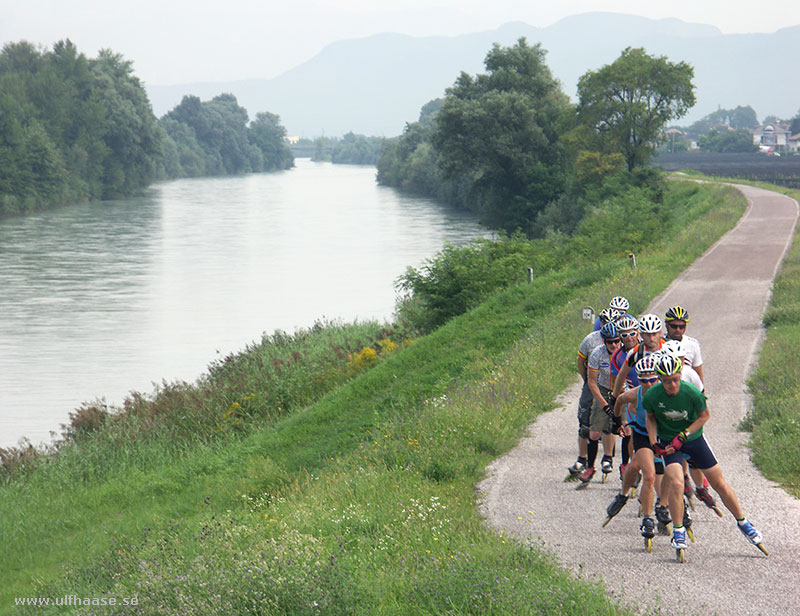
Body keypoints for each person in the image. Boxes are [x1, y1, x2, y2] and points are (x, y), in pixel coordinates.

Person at [644, 354, 767, 559]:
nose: (672, 385)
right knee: (675, 483)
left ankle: (744, 522)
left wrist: (684, 435)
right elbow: (650, 417)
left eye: (675, 379)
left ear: (680, 375)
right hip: (668, 442)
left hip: (693, 439)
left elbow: (704, 416)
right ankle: (679, 531)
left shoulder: (691, 393)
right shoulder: (652, 396)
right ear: (660, 380)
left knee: (718, 483)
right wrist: (653, 441)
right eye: (666, 381)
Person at [604, 355, 665, 550]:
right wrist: (617, 421)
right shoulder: (635, 394)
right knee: (647, 475)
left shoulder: (667, 394)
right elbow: (619, 400)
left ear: (659, 378)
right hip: (641, 435)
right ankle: (645, 516)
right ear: (638, 380)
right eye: (643, 380)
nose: (648, 384)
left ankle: (666, 506)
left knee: (669, 473)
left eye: (652, 379)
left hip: (662, 435)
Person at [568, 308, 621, 478]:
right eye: (606, 322)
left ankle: (607, 458)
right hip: (593, 382)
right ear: (601, 322)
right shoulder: (591, 340)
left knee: (609, 423)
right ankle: (582, 459)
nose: (609, 325)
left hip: (611, 386)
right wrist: (586, 380)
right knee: (585, 423)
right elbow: (580, 360)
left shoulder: (621, 341)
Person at [579, 322, 622, 483]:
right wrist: (604, 404)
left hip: (623, 390)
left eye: (617, 341)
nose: (614, 345)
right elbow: (591, 382)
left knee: (626, 429)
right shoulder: (597, 353)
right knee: (595, 431)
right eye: (610, 341)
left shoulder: (626, 353)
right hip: (603, 388)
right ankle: (590, 466)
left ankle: (618, 462)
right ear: (604, 341)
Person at [664, 305, 704, 383]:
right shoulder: (661, 344)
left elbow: (698, 374)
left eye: (681, 326)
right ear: (666, 325)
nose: (678, 330)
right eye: (674, 326)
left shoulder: (693, 344)